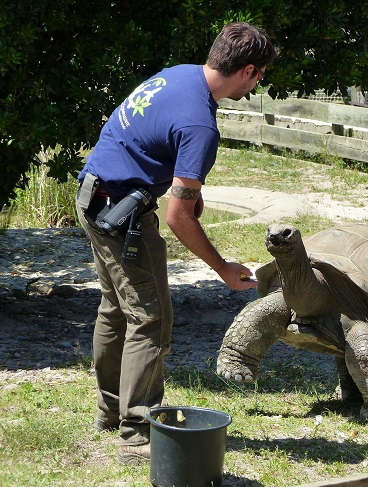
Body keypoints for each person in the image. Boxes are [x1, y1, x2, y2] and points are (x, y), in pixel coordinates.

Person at [74, 22, 276, 465]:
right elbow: (177, 217)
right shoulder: (200, 123)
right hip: (121, 218)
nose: (259, 82)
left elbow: (155, 141)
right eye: (260, 74)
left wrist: (193, 191)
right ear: (247, 71)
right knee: (150, 318)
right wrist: (222, 267)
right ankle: (138, 430)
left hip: (92, 198)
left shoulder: (180, 74)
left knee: (116, 307)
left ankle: (111, 411)